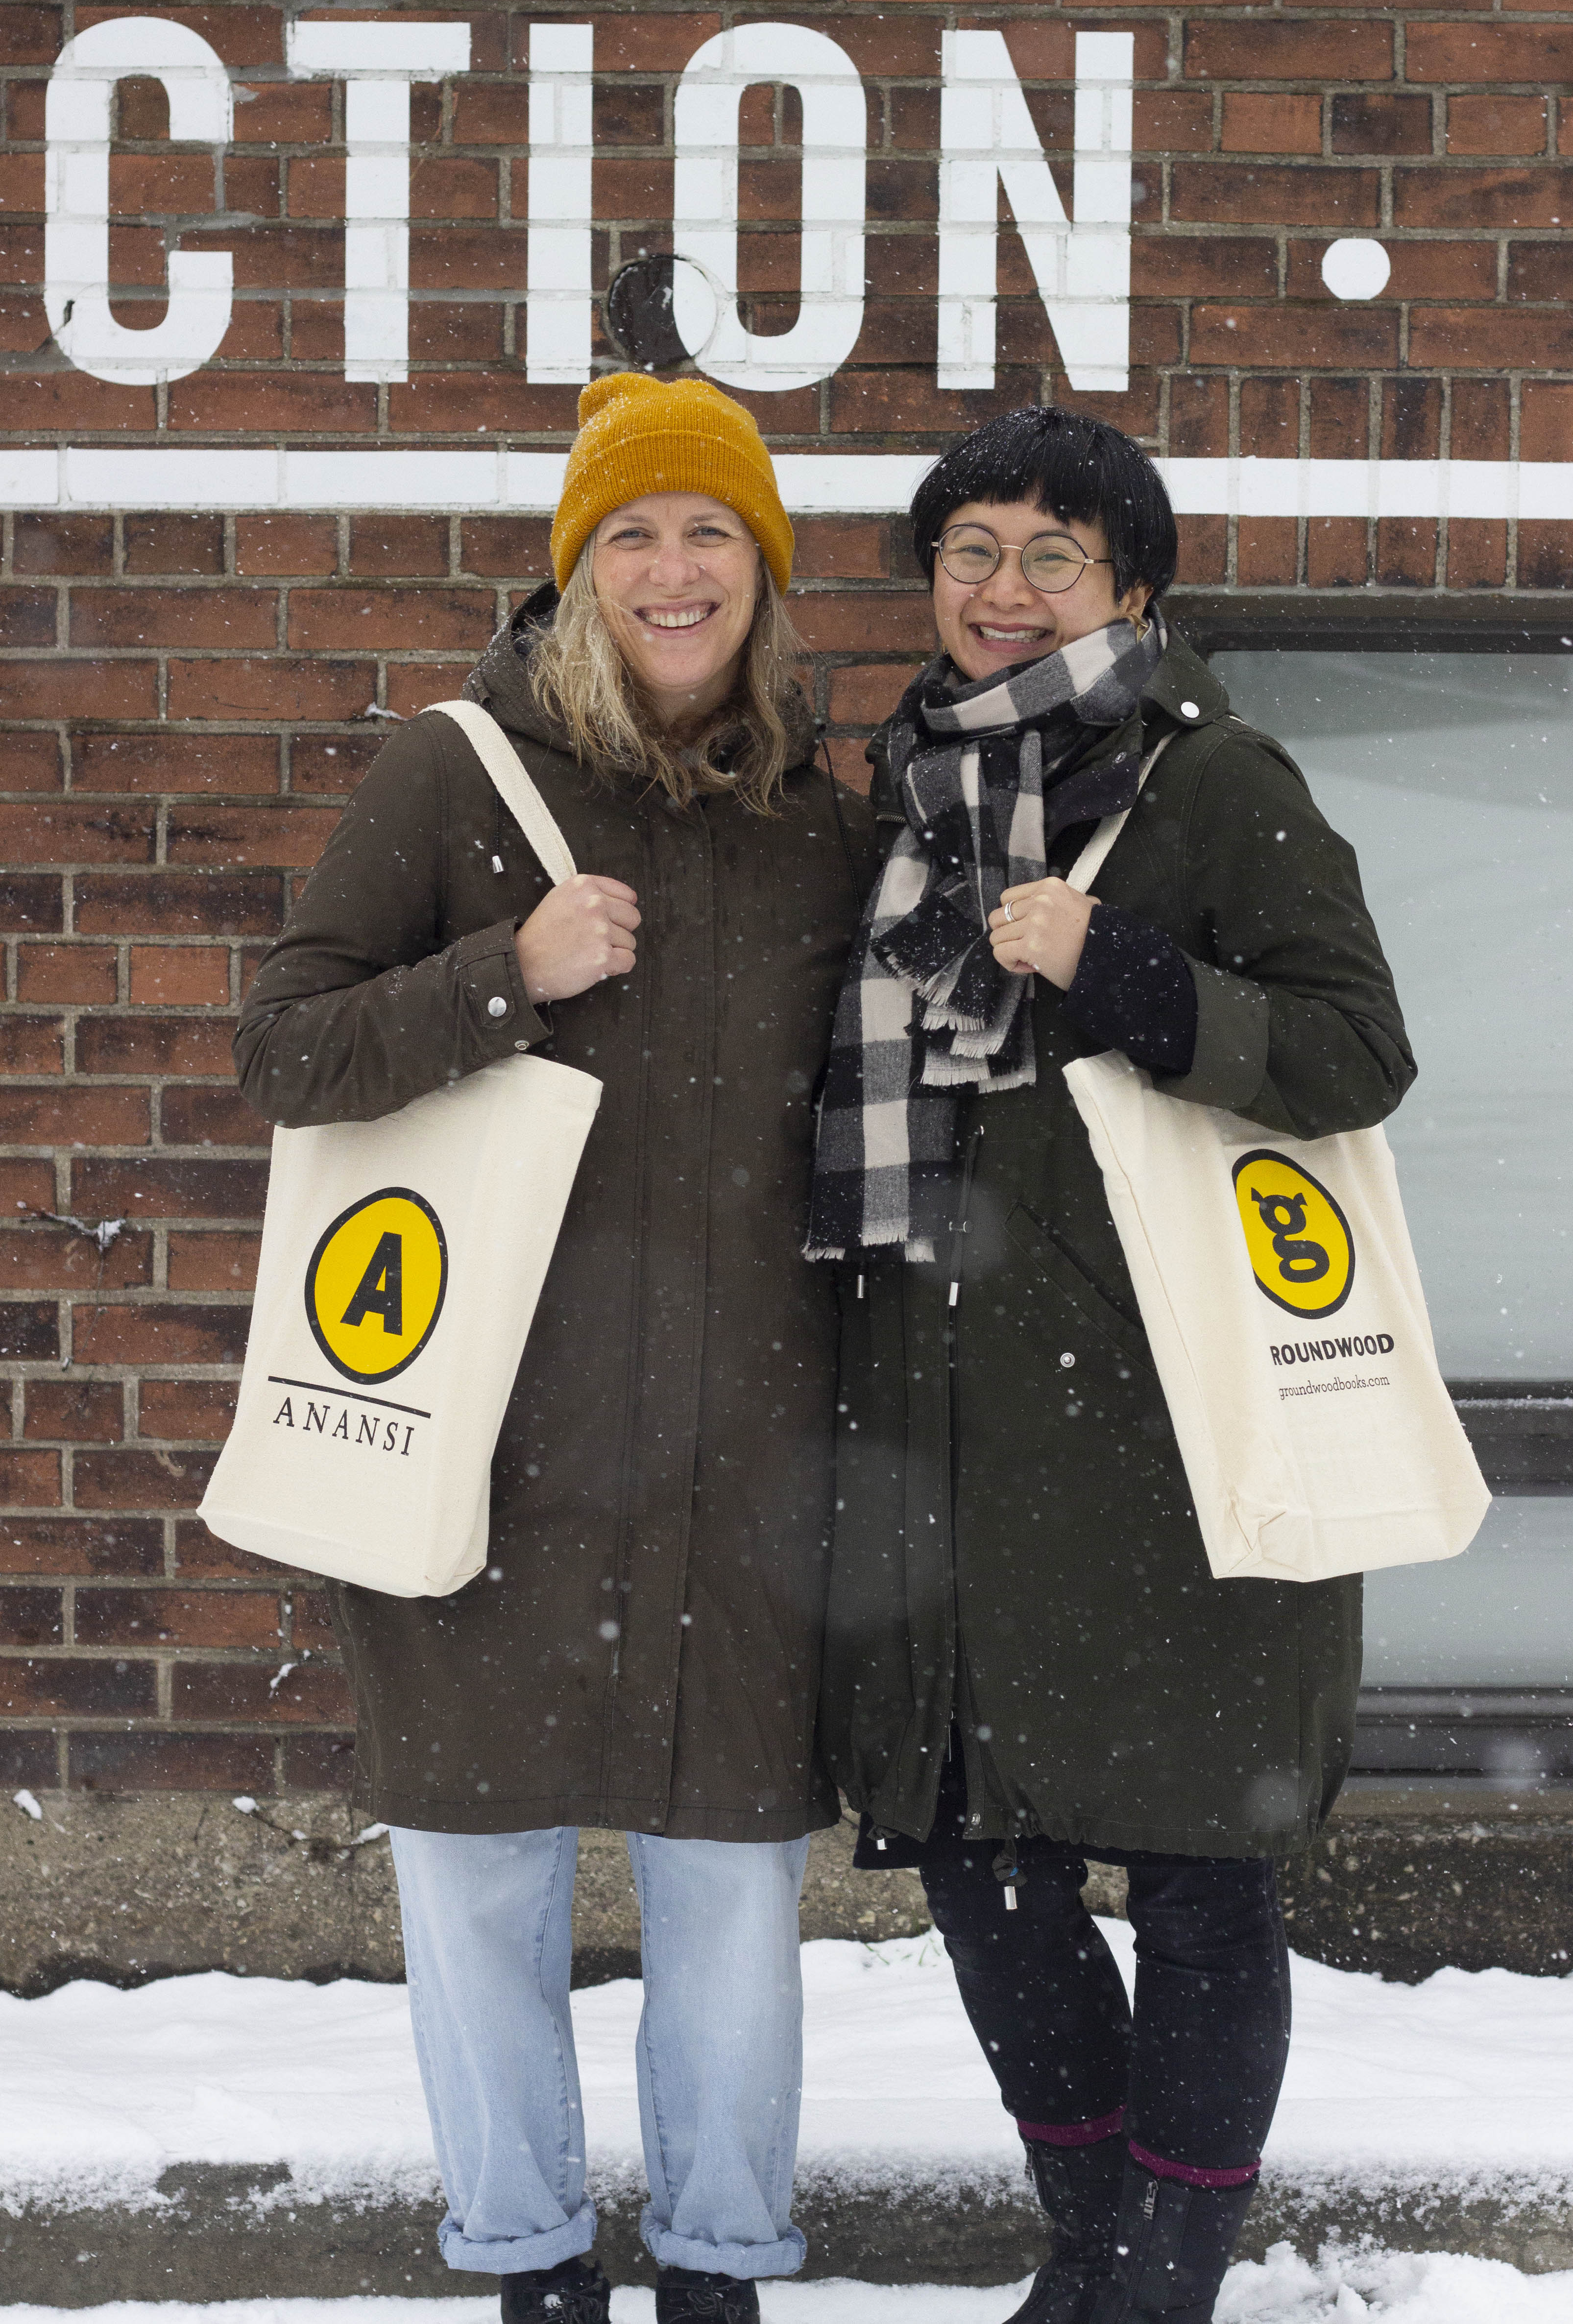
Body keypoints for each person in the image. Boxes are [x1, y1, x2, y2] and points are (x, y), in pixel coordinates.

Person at [235, 372, 876, 2324]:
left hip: (741, 1463)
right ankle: (524, 2262)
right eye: (631, 537)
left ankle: (716, 2266)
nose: (671, 572)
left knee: (729, 1907)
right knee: (483, 1886)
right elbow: (285, 1048)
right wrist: (498, 978)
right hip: (481, 1446)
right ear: (575, 574)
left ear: (758, 577)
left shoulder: (819, 835)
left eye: (708, 537)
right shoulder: (452, 778)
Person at [807, 407, 1414, 2324]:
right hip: (947, 1439)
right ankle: (1101, 2268)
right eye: (970, 550)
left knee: (1201, 1888)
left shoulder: (1213, 785)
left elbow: (1349, 1051)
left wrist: (1125, 969)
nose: (1001, 591)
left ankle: (1150, 2292)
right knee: (983, 1871)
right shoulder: (895, 799)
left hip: (1176, 1445)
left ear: (1129, 591)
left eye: (1049, 556)